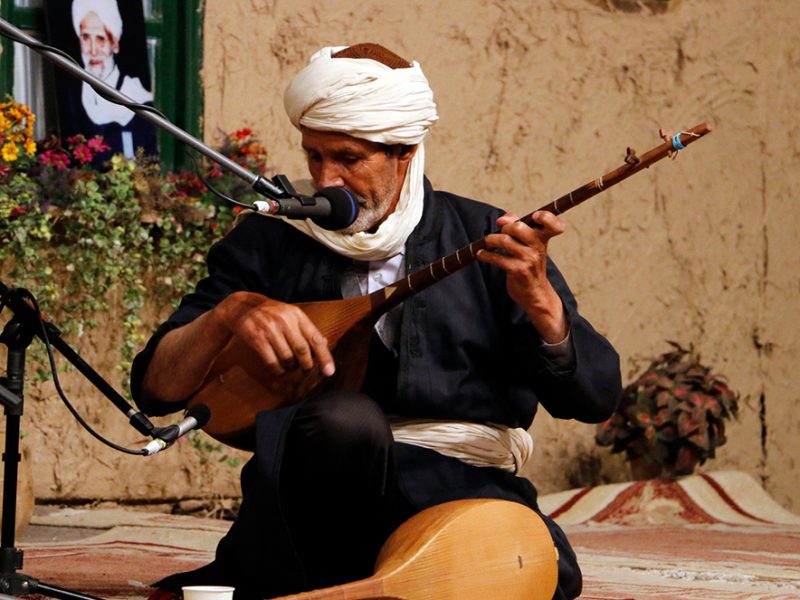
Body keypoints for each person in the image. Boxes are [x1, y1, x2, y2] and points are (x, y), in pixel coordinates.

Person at [131, 43, 622, 600]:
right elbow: (157, 388)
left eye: (348, 159)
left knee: (540, 575)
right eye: (314, 157)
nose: (326, 179)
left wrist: (540, 302)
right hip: (314, 502)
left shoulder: (487, 238)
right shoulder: (270, 243)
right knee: (344, 420)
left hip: (454, 487)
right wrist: (229, 314)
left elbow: (595, 398)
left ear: (405, 152)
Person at [69, 0, 157, 162]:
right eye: (86, 37)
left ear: (114, 44)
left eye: (101, 39)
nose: (93, 50)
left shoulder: (136, 98)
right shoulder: (72, 95)